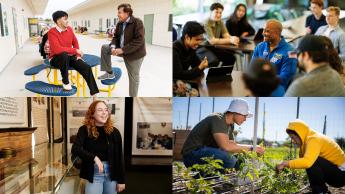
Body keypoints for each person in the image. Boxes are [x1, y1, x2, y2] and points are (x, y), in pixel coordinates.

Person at [181, 99, 265, 169]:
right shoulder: (218, 118)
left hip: (205, 153)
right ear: (236, 112)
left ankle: (208, 177)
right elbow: (226, 147)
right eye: (244, 116)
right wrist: (252, 148)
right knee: (229, 160)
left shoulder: (230, 125)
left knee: (240, 161)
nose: (245, 119)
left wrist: (249, 155)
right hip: (192, 154)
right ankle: (208, 177)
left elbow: (232, 146)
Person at [276, 119, 345, 194]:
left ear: (300, 134)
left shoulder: (314, 139)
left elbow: (307, 162)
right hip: (335, 173)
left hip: (341, 174)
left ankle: (321, 191)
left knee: (312, 161)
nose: (292, 141)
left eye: (293, 137)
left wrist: (285, 163)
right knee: (310, 161)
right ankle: (319, 190)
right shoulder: (307, 142)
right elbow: (302, 162)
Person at [72, 100, 125, 194]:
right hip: (94, 173)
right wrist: (95, 158)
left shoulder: (114, 132)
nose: (104, 112)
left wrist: (121, 180)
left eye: (106, 110)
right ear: (92, 114)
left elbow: (119, 157)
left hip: (111, 173)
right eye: (100, 110)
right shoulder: (84, 130)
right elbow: (75, 149)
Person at [98, 3, 146, 97]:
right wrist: (112, 47)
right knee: (105, 48)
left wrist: (122, 50)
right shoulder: (120, 23)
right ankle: (109, 73)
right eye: (118, 12)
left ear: (127, 13)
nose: (118, 14)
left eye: (120, 12)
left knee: (133, 78)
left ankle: (133, 98)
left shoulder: (137, 22)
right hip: (121, 49)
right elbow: (115, 37)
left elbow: (139, 40)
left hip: (134, 54)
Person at [48, 11, 99, 95]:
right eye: (65, 19)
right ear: (58, 21)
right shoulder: (52, 32)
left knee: (86, 67)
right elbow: (57, 49)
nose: (67, 21)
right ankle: (65, 81)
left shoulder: (70, 29)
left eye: (67, 19)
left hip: (68, 56)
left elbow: (75, 42)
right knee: (63, 54)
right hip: (56, 58)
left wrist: (78, 55)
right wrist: (75, 51)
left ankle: (94, 92)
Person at [251, 19, 297, 90]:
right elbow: (252, 68)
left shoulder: (292, 51)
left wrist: (264, 80)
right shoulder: (260, 46)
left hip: (277, 90)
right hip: (258, 86)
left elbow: (286, 77)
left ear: (278, 32)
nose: (263, 33)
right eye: (263, 30)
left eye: (267, 31)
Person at [203, 3, 238, 71]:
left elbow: (226, 35)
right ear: (210, 12)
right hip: (203, 47)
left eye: (220, 13)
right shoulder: (206, 23)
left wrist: (233, 38)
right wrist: (230, 40)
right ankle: (212, 77)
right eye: (216, 12)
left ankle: (221, 75)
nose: (219, 15)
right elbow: (212, 41)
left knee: (231, 58)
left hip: (213, 47)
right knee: (214, 61)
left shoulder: (220, 22)